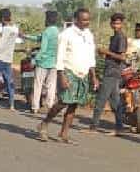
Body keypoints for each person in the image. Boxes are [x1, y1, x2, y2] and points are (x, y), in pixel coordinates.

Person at [37, 8, 97, 144]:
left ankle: (64, 134)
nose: (87, 22)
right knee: (63, 102)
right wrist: (61, 75)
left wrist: (93, 75)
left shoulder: (88, 34)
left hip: (83, 73)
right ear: (76, 20)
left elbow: (91, 56)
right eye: (84, 20)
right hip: (69, 71)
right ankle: (44, 123)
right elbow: (59, 56)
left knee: (74, 104)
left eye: (88, 20)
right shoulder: (66, 34)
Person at [89, 12, 128, 134]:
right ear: (111, 24)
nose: (116, 26)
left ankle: (93, 127)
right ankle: (119, 128)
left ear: (122, 24)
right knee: (115, 102)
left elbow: (122, 57)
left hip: (112, 72)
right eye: (114, 23)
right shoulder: (115, 37)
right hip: (112, 71)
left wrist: (106, 52)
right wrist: (105, 53)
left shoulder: (120, 37)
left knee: (101, 99)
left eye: (118, 23)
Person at [28, 9, 61, 114]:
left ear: (48, 19)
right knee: (51, 85)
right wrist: (25, 36)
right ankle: (50, 105)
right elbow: (39, 38)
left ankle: (35, 107)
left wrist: (34, 60)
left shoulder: (47, 31)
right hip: (54, 63)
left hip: (43, 63)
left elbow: (43, 49)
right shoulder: (58, 31)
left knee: (38, 84)